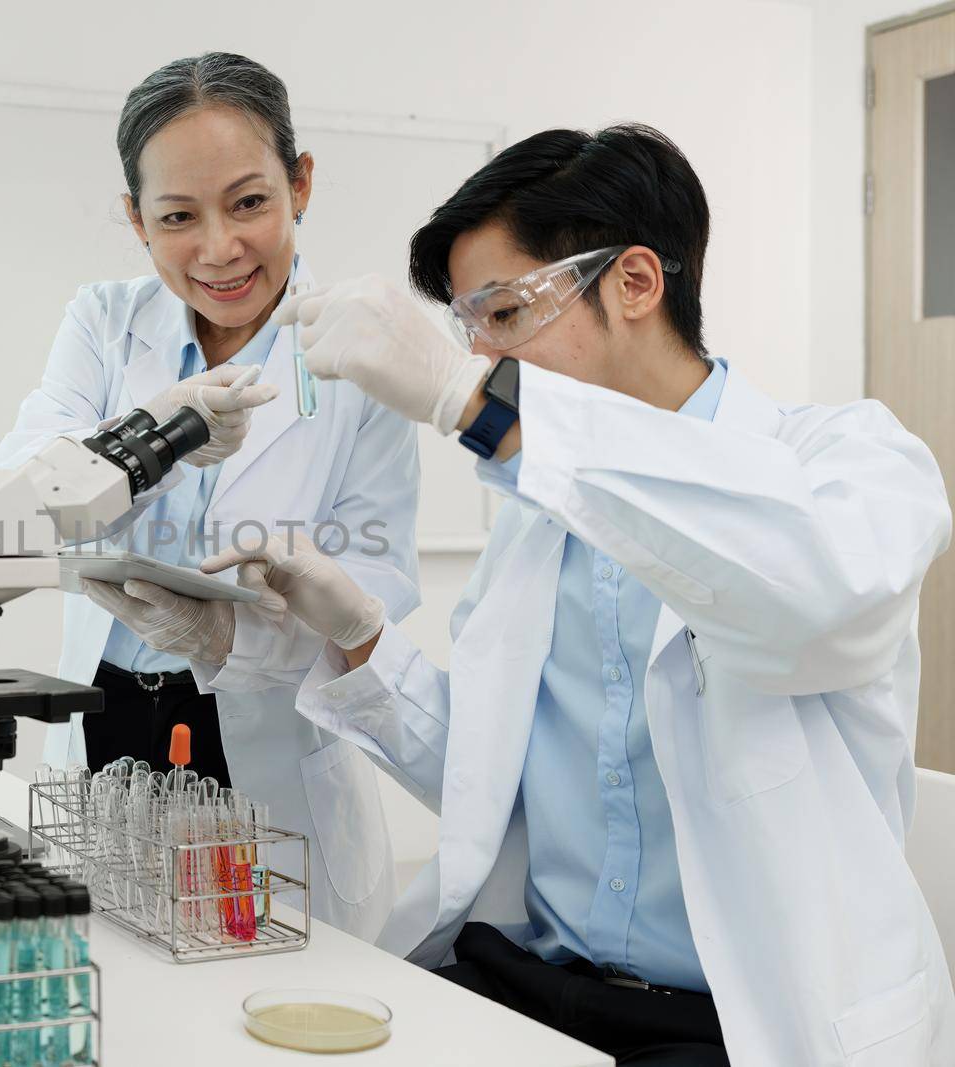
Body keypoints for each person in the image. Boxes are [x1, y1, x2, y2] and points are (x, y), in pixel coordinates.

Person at [181, 124, 954, 1065]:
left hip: (739, 1012)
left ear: (634, 281)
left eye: (503, 314)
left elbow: (812, 603)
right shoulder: (537, 511)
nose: (481, 351)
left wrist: (476, 402)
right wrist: (353, 635)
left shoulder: (848, 461)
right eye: (467, 329)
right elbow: (492, 776)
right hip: (534, 980)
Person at [0, 52, 420, 941]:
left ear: (300, 184)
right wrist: (149, 434)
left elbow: (380, 574)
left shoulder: (359, 350)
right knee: (115, 970)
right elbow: (22, 490)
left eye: (250, 202)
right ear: (136, 220)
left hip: (263, 731)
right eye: (178, 216)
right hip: (103, 715)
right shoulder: (105, 323)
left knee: (266, 975)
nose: (219, 248)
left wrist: (238, 636)